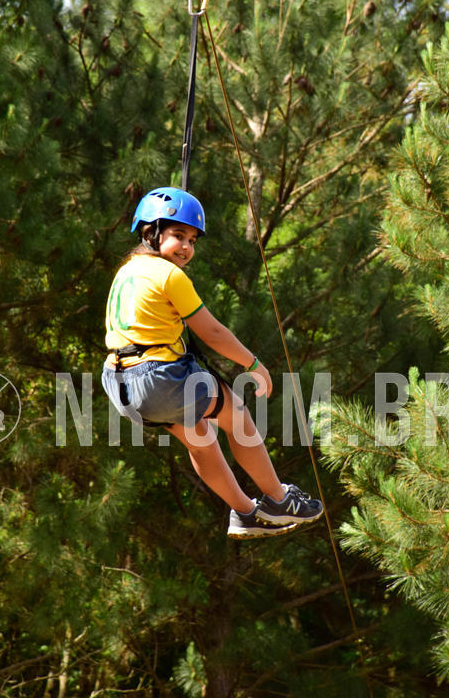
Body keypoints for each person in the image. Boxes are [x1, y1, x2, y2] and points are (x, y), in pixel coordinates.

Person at [102, 186, 323, 539]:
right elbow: (213, 333)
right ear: (150, 232)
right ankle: (278, 499)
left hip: (122, 384)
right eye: (178, 236)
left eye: (192, 240)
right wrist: (254, 366)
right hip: (159, 377)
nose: (187, 248)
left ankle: (245, 512)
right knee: (238, 416)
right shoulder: (170, 275)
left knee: (200, 437)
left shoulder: (127, 271)